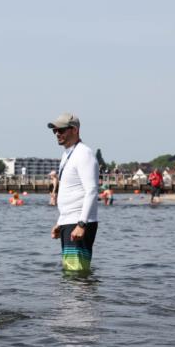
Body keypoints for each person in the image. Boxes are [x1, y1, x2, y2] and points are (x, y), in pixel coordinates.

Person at [47, 112, 99, 272]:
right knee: (70, 271)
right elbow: (70, 191)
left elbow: (91, 190)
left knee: (76, 273)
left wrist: (82, 224)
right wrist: (61, 221)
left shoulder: (84, 154)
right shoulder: (68, 154)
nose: (57, 134)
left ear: (75, 130)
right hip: (69, 221)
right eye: (55, 130)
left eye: (61, 130)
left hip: (79, 222)